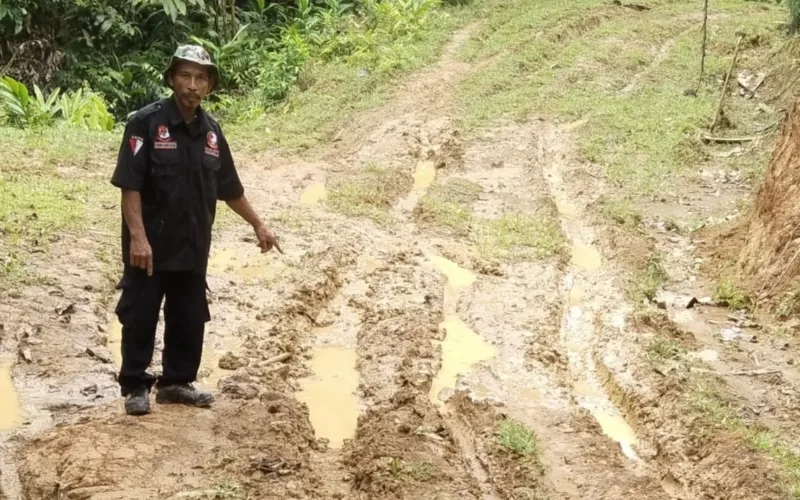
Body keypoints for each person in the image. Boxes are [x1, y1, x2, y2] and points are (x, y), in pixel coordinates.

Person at [110, 44, 281, 416]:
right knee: (140, 313)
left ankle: (176, 383)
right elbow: (130, 185)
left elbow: (229, 188)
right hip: (150, 245)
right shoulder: (145, 123)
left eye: (201, 78)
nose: (192, 84)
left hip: (192, 245)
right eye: (185, 76)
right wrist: (138, 237)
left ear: (209, 86)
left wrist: (258, 224)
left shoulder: (211, 133)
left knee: (188, 315)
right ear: (172, 79)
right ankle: (135, 385)